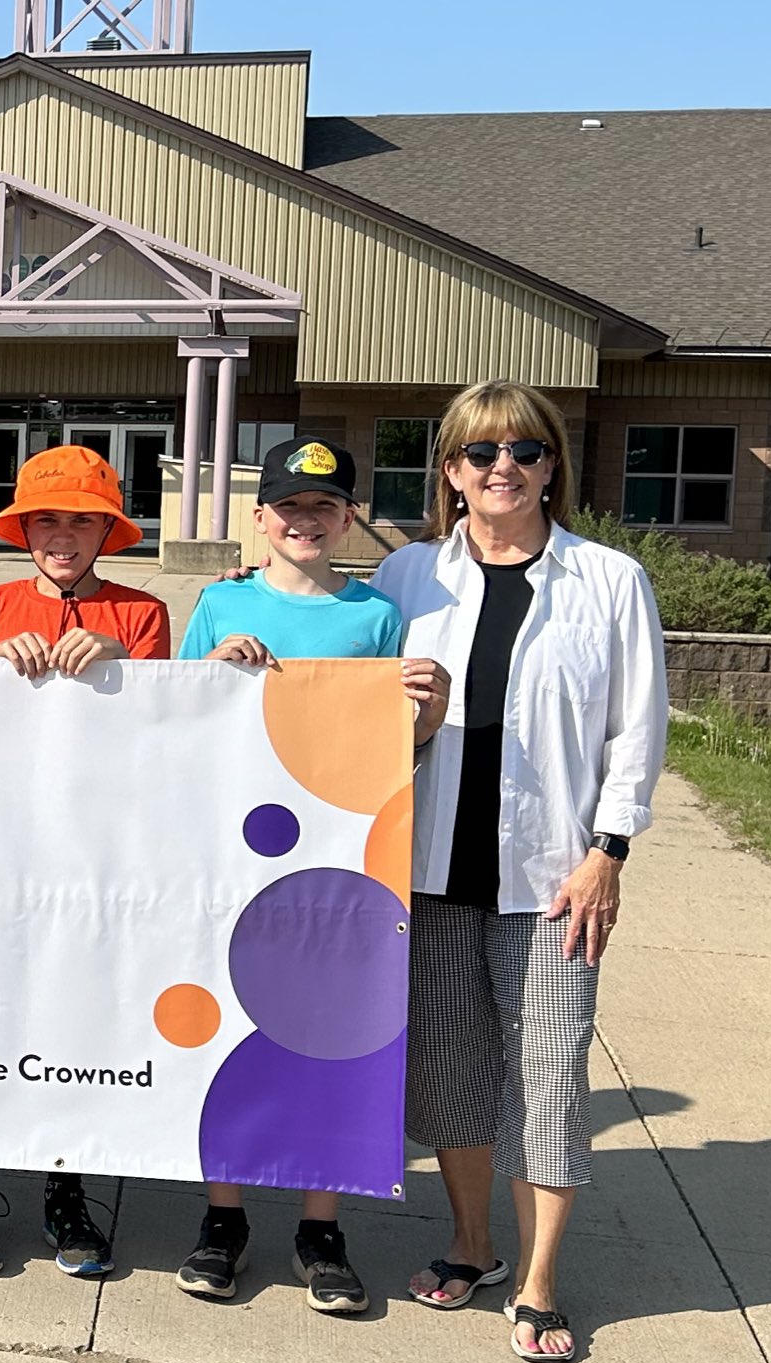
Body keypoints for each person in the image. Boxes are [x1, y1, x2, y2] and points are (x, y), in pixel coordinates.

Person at [369, 381, 666, 1363]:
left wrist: (606, 851)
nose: (504, 467)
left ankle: (539, 1285)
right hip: (429, 873)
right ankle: (470, 1244)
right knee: (452, 1076)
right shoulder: (408, 579)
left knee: (547, 1079)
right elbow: (346, 701)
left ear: (552, 467)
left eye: (526, 450)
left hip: (551, 881)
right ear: (449, 471)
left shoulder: (608, 580)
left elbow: (637, 731)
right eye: (480, 451)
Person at [173, 436, 449, 1312]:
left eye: (323, 508)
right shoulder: (218, 605)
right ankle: (224, 1217)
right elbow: (174, 723)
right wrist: (210, 676)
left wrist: (420, 709)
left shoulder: (371, 620)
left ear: (345, 520)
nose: (305, 521)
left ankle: (320, 1224)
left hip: (334, 861)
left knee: (329, 1035)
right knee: (233, 1029)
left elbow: (389, 748)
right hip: (233, 850)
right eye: (289, 506)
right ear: (260, 520)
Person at [0, 444, 164, 1275]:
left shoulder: (140, 615)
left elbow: (166, 728)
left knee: (76, 1016)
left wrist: (121, 661)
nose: (62, 536)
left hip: (93, 853)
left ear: (106, 530)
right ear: (22, 528)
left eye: (81, 520)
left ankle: (66, 1190)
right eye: (47, 520)